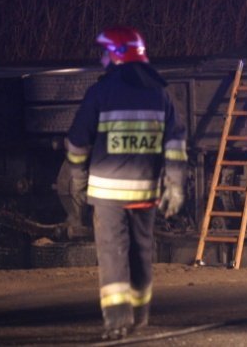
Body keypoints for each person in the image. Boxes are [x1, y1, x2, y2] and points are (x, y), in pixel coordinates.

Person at [65, 26, 187, 339]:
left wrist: (77, 176)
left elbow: (78, 142)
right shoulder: (161, 93)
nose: (102, 59)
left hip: (107, 192)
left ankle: (117, 320)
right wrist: (174, 184)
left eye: (105, 52)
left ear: (118, 54)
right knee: (141, 251)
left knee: (112, 253)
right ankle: (141, 315)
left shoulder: (101, 91)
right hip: (145, 190)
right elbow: (175, 144)